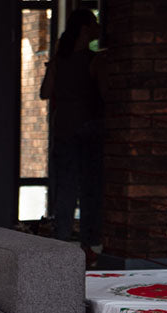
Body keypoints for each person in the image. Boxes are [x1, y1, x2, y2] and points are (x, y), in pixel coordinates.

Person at [40, 8, 105, 263]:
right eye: (95, 24)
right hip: (88, 127)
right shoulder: (95, 60)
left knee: (65, 188)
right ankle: (90, 246)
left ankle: (61, 244)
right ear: (86, 28)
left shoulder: (59, 60)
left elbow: (45, 92)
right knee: (90, 188)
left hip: (64, 128)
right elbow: (106, 95)